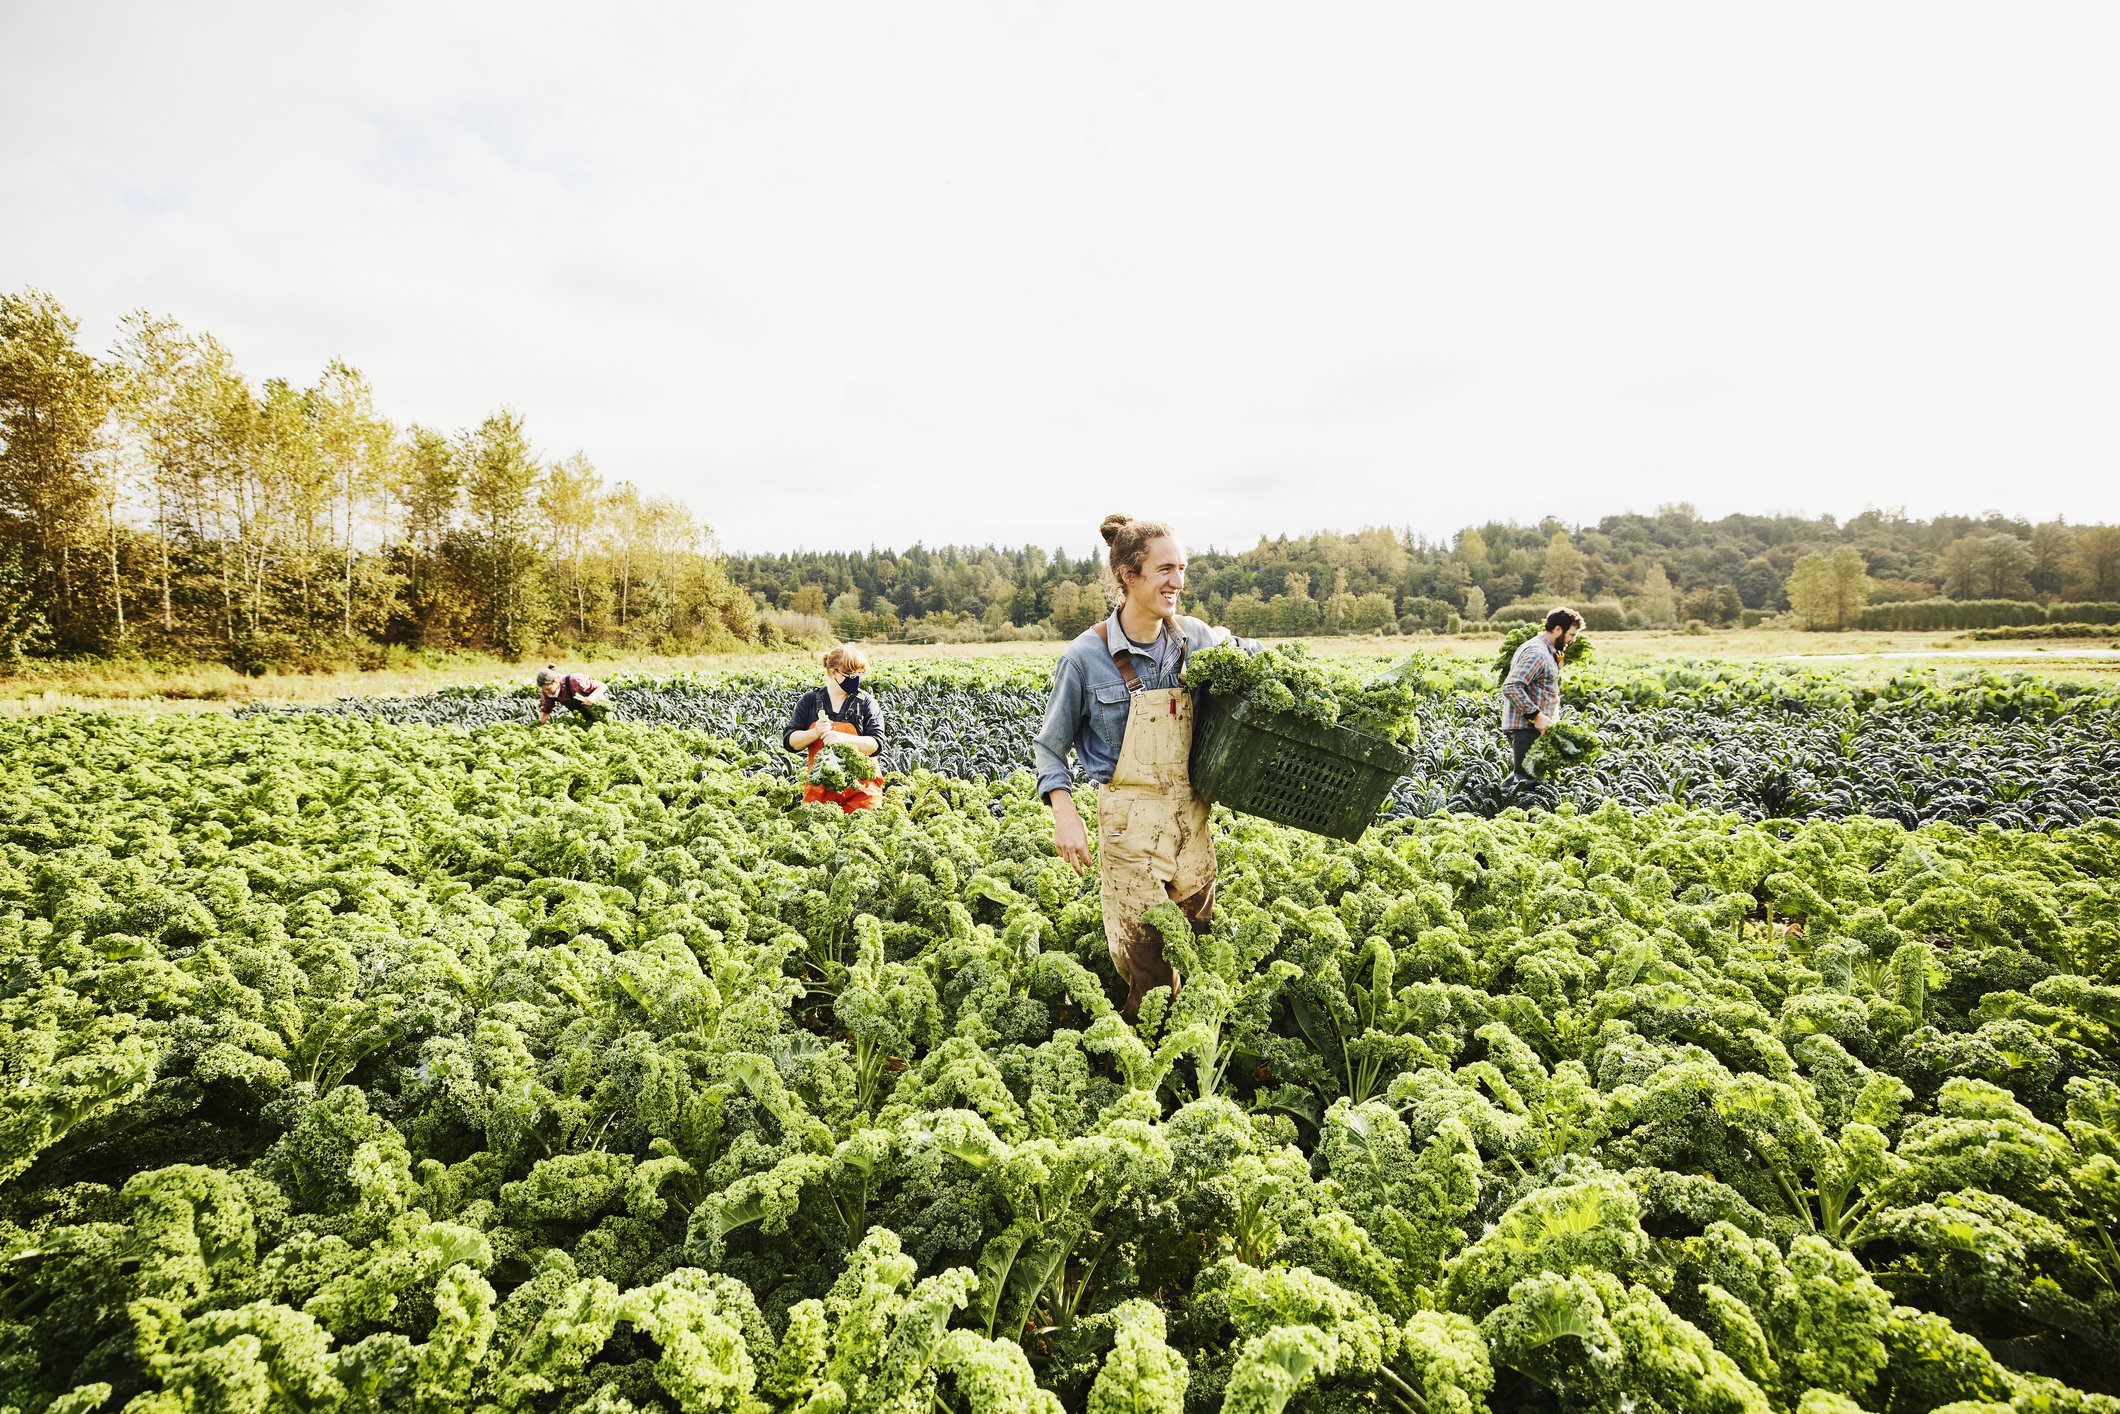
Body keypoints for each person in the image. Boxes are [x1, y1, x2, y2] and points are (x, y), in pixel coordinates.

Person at [1033, 514, 1260, 1021]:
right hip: (1130, 829)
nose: (1177, 582)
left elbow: (1255, 658)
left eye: (1181, 569)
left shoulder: (1195, 638)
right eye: (1164, 570)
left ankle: (1195, 1063)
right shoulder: (1085, 658)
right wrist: (1064, 816)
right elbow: (1050, 748)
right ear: (1128, 576)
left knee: (1198, 949)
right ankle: (1139, 1072)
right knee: (1151, 970)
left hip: (1192, 823)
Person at [783, 642, 885, 813]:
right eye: (850, 674)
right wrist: (815, 732)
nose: (856, 679)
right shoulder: (810, 701)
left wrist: (844, 739)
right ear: (833, 673)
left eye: (859, 674)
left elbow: (876, 744)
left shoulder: (866, 702)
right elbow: (790, 741)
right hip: (820, 791)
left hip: (862, 792)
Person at [1500, 607, 1584, 782]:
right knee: (1527, 783)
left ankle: (1494, 803)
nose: (1572, 640)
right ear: (1558, 629)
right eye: (1571, 635)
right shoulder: (1537, 653)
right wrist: (1536, 716)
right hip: (1527, 728)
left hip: (1534, 729)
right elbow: (1511, 686)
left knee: (1528, 779)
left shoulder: (1546, 651)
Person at [536, 666, 612, 725]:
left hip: (599, 709)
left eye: (548, 689)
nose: (546, 692)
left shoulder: (575, 681)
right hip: (582, 716)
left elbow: (602, 686)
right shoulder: (546, 692)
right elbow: (546, 711)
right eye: (544, 689)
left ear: (556, 681)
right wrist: (537, 726)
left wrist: (591, 698)